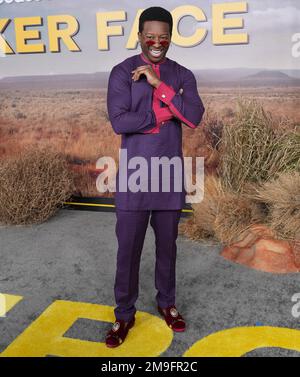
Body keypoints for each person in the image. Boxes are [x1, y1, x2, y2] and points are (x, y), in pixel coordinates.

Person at [105, 6, 205, 348]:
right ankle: (124, 314)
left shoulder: (183, 75)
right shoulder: (121, 72)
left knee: (168, 248)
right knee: (127, 251)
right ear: (140, 36)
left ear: (171, 37)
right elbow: (120, 122)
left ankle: (167, 303)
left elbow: (193, 117)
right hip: (134, 179)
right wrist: (166, 110)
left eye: (163, 36)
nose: (156, 42)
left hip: (168, 179)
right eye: (150, 36)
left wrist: (158, 84)